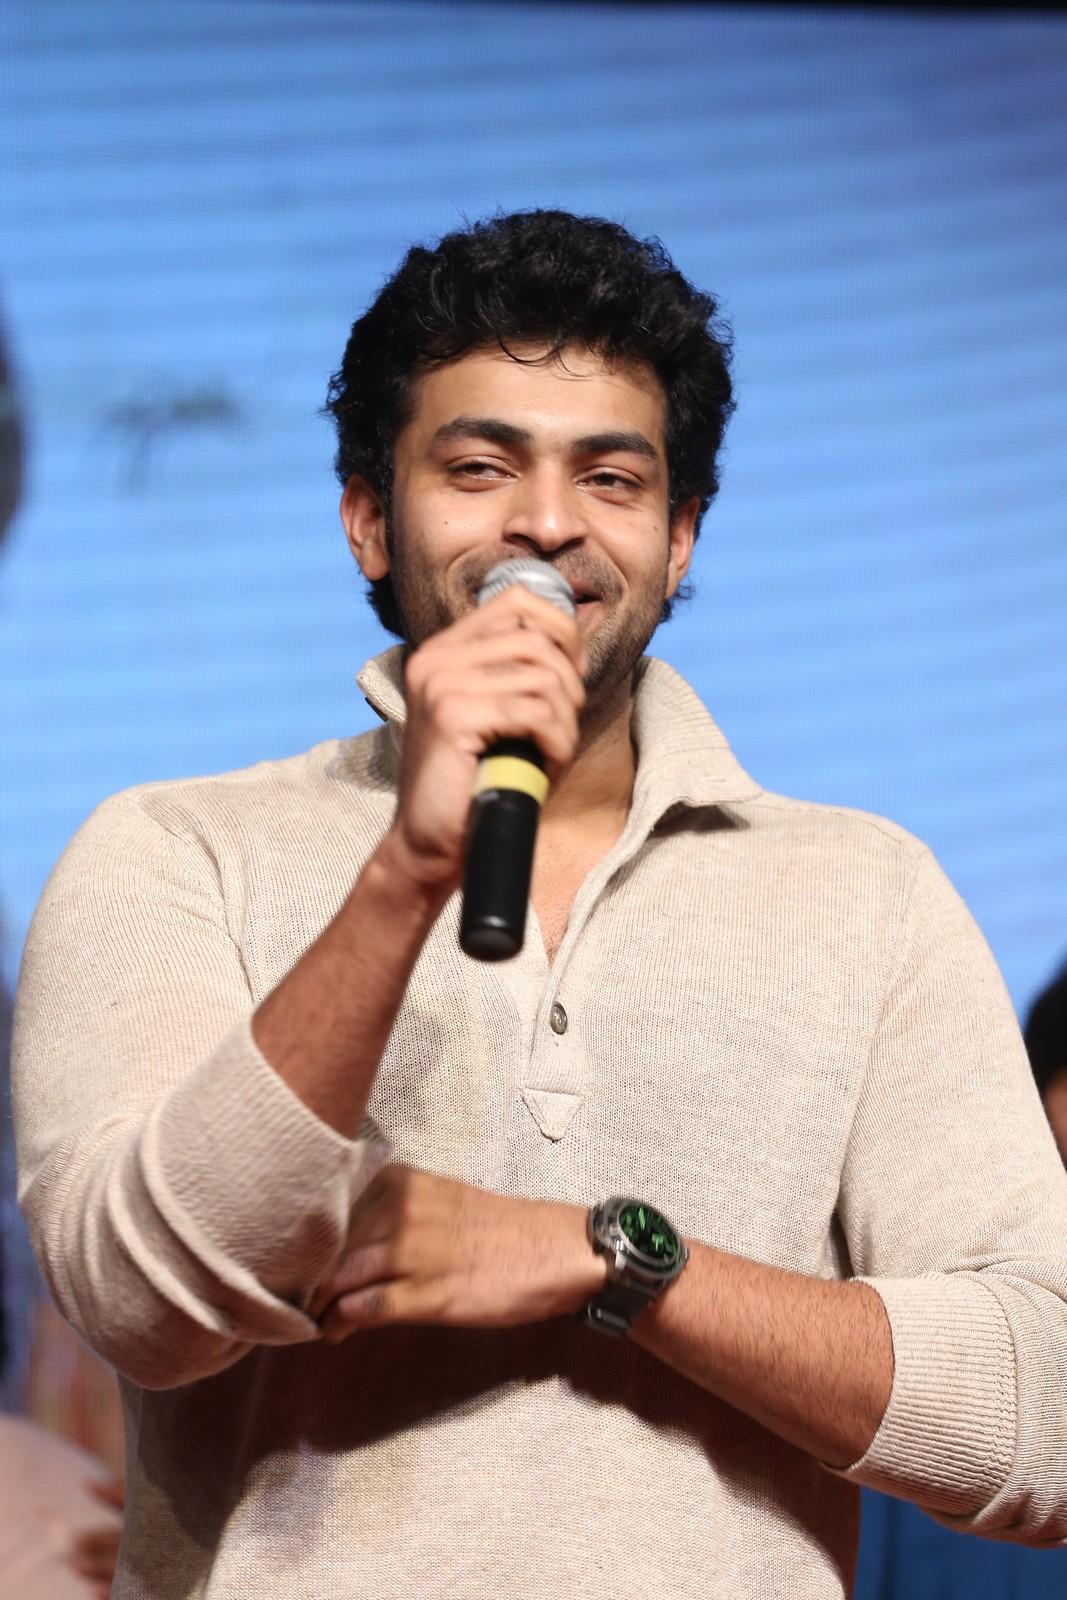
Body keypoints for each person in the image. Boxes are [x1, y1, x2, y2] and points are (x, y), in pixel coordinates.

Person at [11, 210, 1067, 1600]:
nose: (549, 524)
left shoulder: (868, 895)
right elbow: (145, 1306)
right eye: (480, 466)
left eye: (611, 478)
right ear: (369, 520)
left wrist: (609, 1261)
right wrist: (407, 872)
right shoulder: (175, 852)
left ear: (679, 539)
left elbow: (1045, 1421)